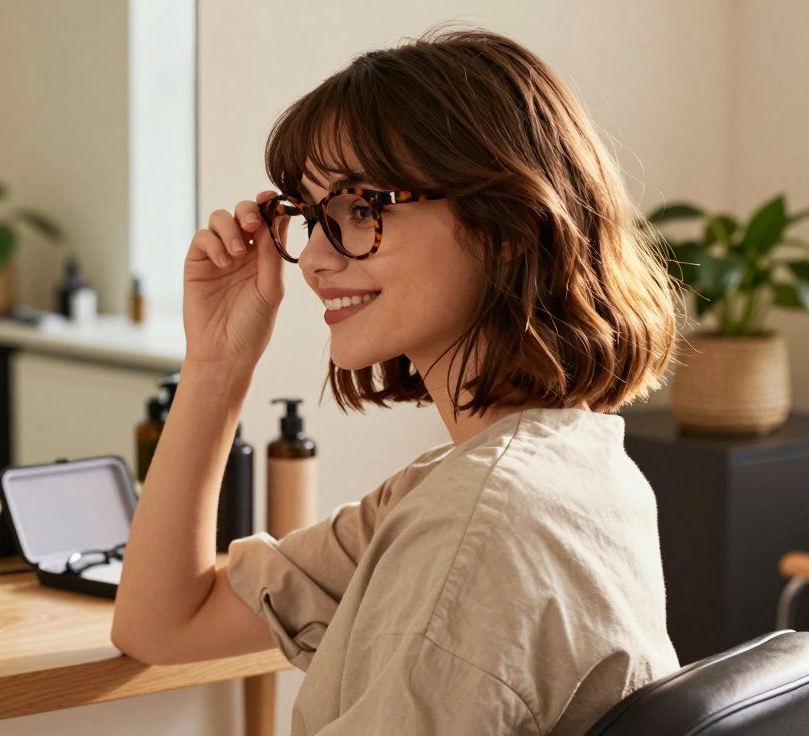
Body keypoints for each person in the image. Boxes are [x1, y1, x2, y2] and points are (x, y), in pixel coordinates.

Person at [113, 28, 681, 735]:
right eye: (311, 217)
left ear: (505, 224)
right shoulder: (534, 474)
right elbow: (162, 625)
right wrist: (216, 364)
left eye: (361, 208)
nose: (316, 258)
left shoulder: (480, 523)